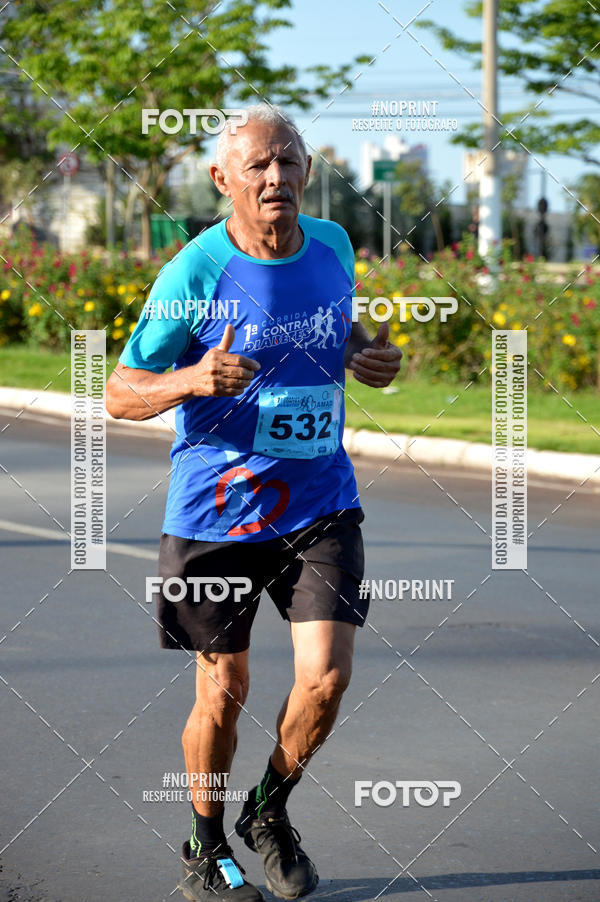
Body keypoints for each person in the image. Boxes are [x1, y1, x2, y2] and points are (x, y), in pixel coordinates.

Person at [105, 103, 402, 902]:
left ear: (307, 167)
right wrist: (192, 379)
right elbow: (119, 392)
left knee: (326, 679)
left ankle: (266, 812)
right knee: (223, 688)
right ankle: (204, 846)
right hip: (219, 513)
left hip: (320, 501)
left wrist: (371, 355)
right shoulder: (194, 273)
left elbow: (343, 329)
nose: (276, 177)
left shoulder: (334, 244)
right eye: (258, 166)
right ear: (222, 179)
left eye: (289, 160)